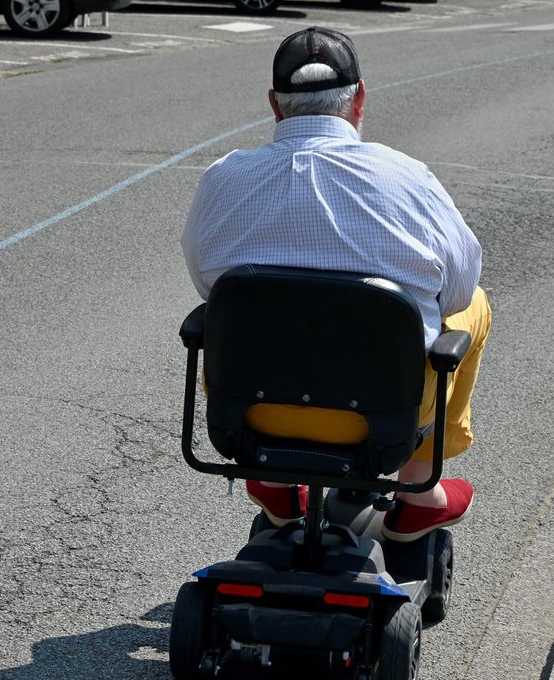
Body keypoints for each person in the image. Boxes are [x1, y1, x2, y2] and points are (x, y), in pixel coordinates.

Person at [180, 27, 491, 543]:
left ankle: (275, 483)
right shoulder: (407, 177)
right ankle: (417, 491)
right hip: (381, 415)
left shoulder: (222, 178)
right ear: (360, 98)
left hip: (254, 410)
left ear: (275, 107)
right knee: (473, 306)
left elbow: (206, 283)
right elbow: (457, 290)